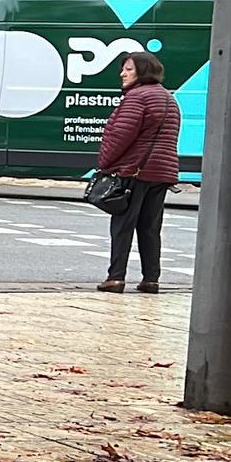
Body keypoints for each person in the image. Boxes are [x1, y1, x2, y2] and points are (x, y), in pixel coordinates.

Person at [95, 50, 181, 294]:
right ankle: (151, 279)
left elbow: (120, 136)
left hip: (135, 171)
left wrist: (105, 163)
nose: (122, 73)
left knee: (123, 224)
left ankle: (115, 278)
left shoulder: (137, 98)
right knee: (150, 227)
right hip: (161, 173)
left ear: (143, 71)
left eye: (129, 69)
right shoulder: (168, 98)